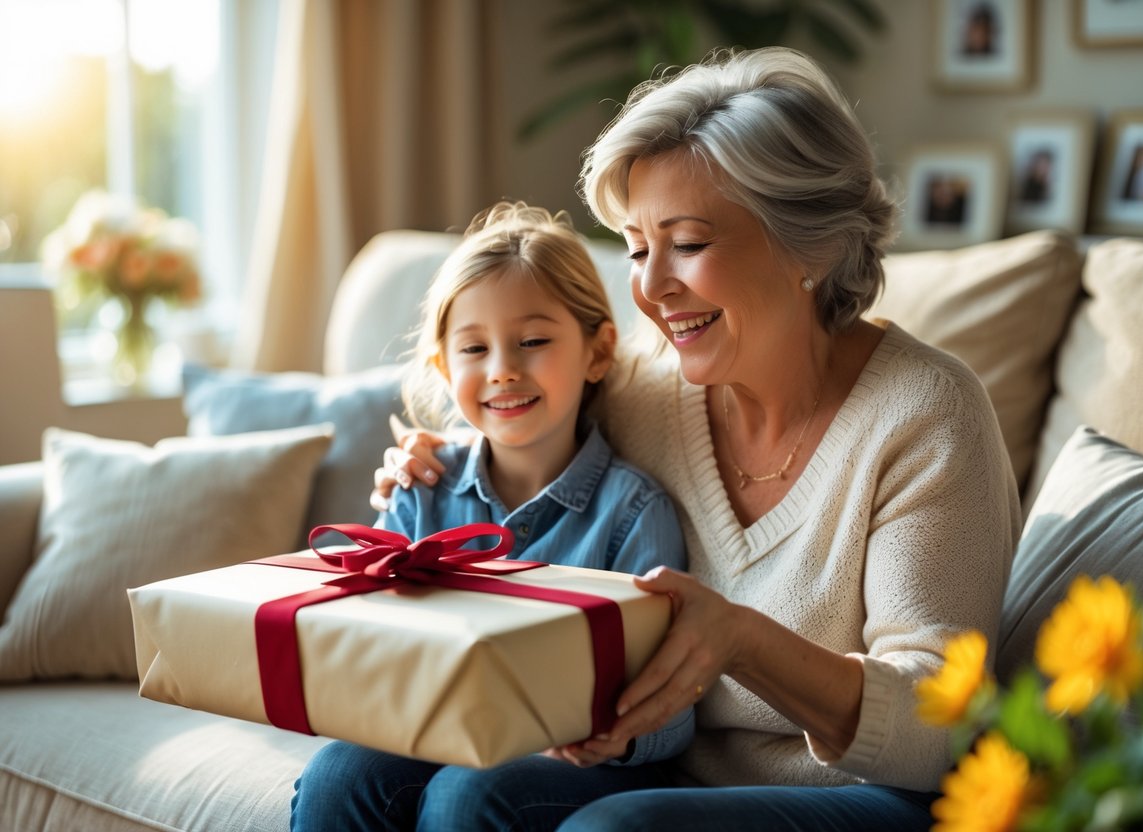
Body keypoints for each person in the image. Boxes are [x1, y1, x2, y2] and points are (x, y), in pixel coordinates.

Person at [363, 46, 1020, 831]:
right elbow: (511, 414)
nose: (649, 286)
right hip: (663, 771)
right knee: (373, 777)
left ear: (804, 242)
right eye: (639, 249)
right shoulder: (643, 393)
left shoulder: (922, 411)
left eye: (688, 243)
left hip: (864, 795)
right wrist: (429, 459)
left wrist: (742, 642)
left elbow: (936, 723)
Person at [291, 201, 693, 831]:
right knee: (340, 774)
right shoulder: (419, 492)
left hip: (586, 767)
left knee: (464, 795)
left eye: (533, 342)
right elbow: (364, 649)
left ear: (597, 351)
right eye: (474, 348)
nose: (503, 369)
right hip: (439, 734)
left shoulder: (633, 512)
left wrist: (614, 736)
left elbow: (671, 713)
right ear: (445, 369)